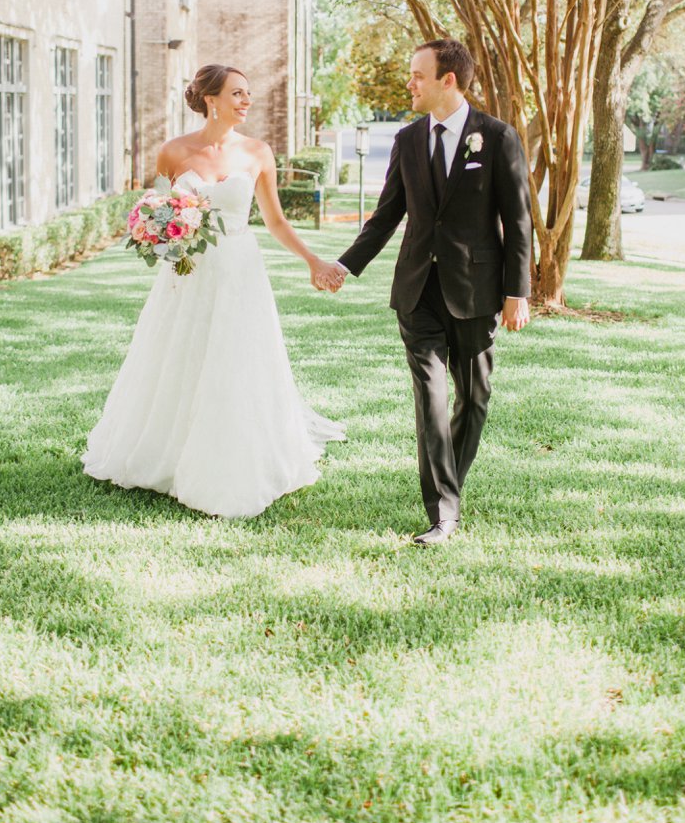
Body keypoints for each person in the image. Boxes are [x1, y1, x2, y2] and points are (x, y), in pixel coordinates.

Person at [83, 64, 345, 517]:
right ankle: (165, 452)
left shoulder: (258, 152)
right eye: (237, 93)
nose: (246, 101)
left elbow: (276, 222)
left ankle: (234, 452)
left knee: (236, 358)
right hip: (187, 272)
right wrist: (162, 236)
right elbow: (157, 213)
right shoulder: (172, 152)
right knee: (178, 355)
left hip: (240, 271)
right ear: (211, 100)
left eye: (248, 93)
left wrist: (313, 261)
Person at [328, 39, 532, 545]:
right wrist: (344, 264)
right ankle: (443, 512)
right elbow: (386, 215)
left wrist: (517, 291)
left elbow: (519, 220)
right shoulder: (407, 139)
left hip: (476, 290)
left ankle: (449, 487)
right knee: (432, 401)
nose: (410, 84)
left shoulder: (497, 137)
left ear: (449, 80)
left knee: (476, 397)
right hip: (417, 290)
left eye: (418, 75)